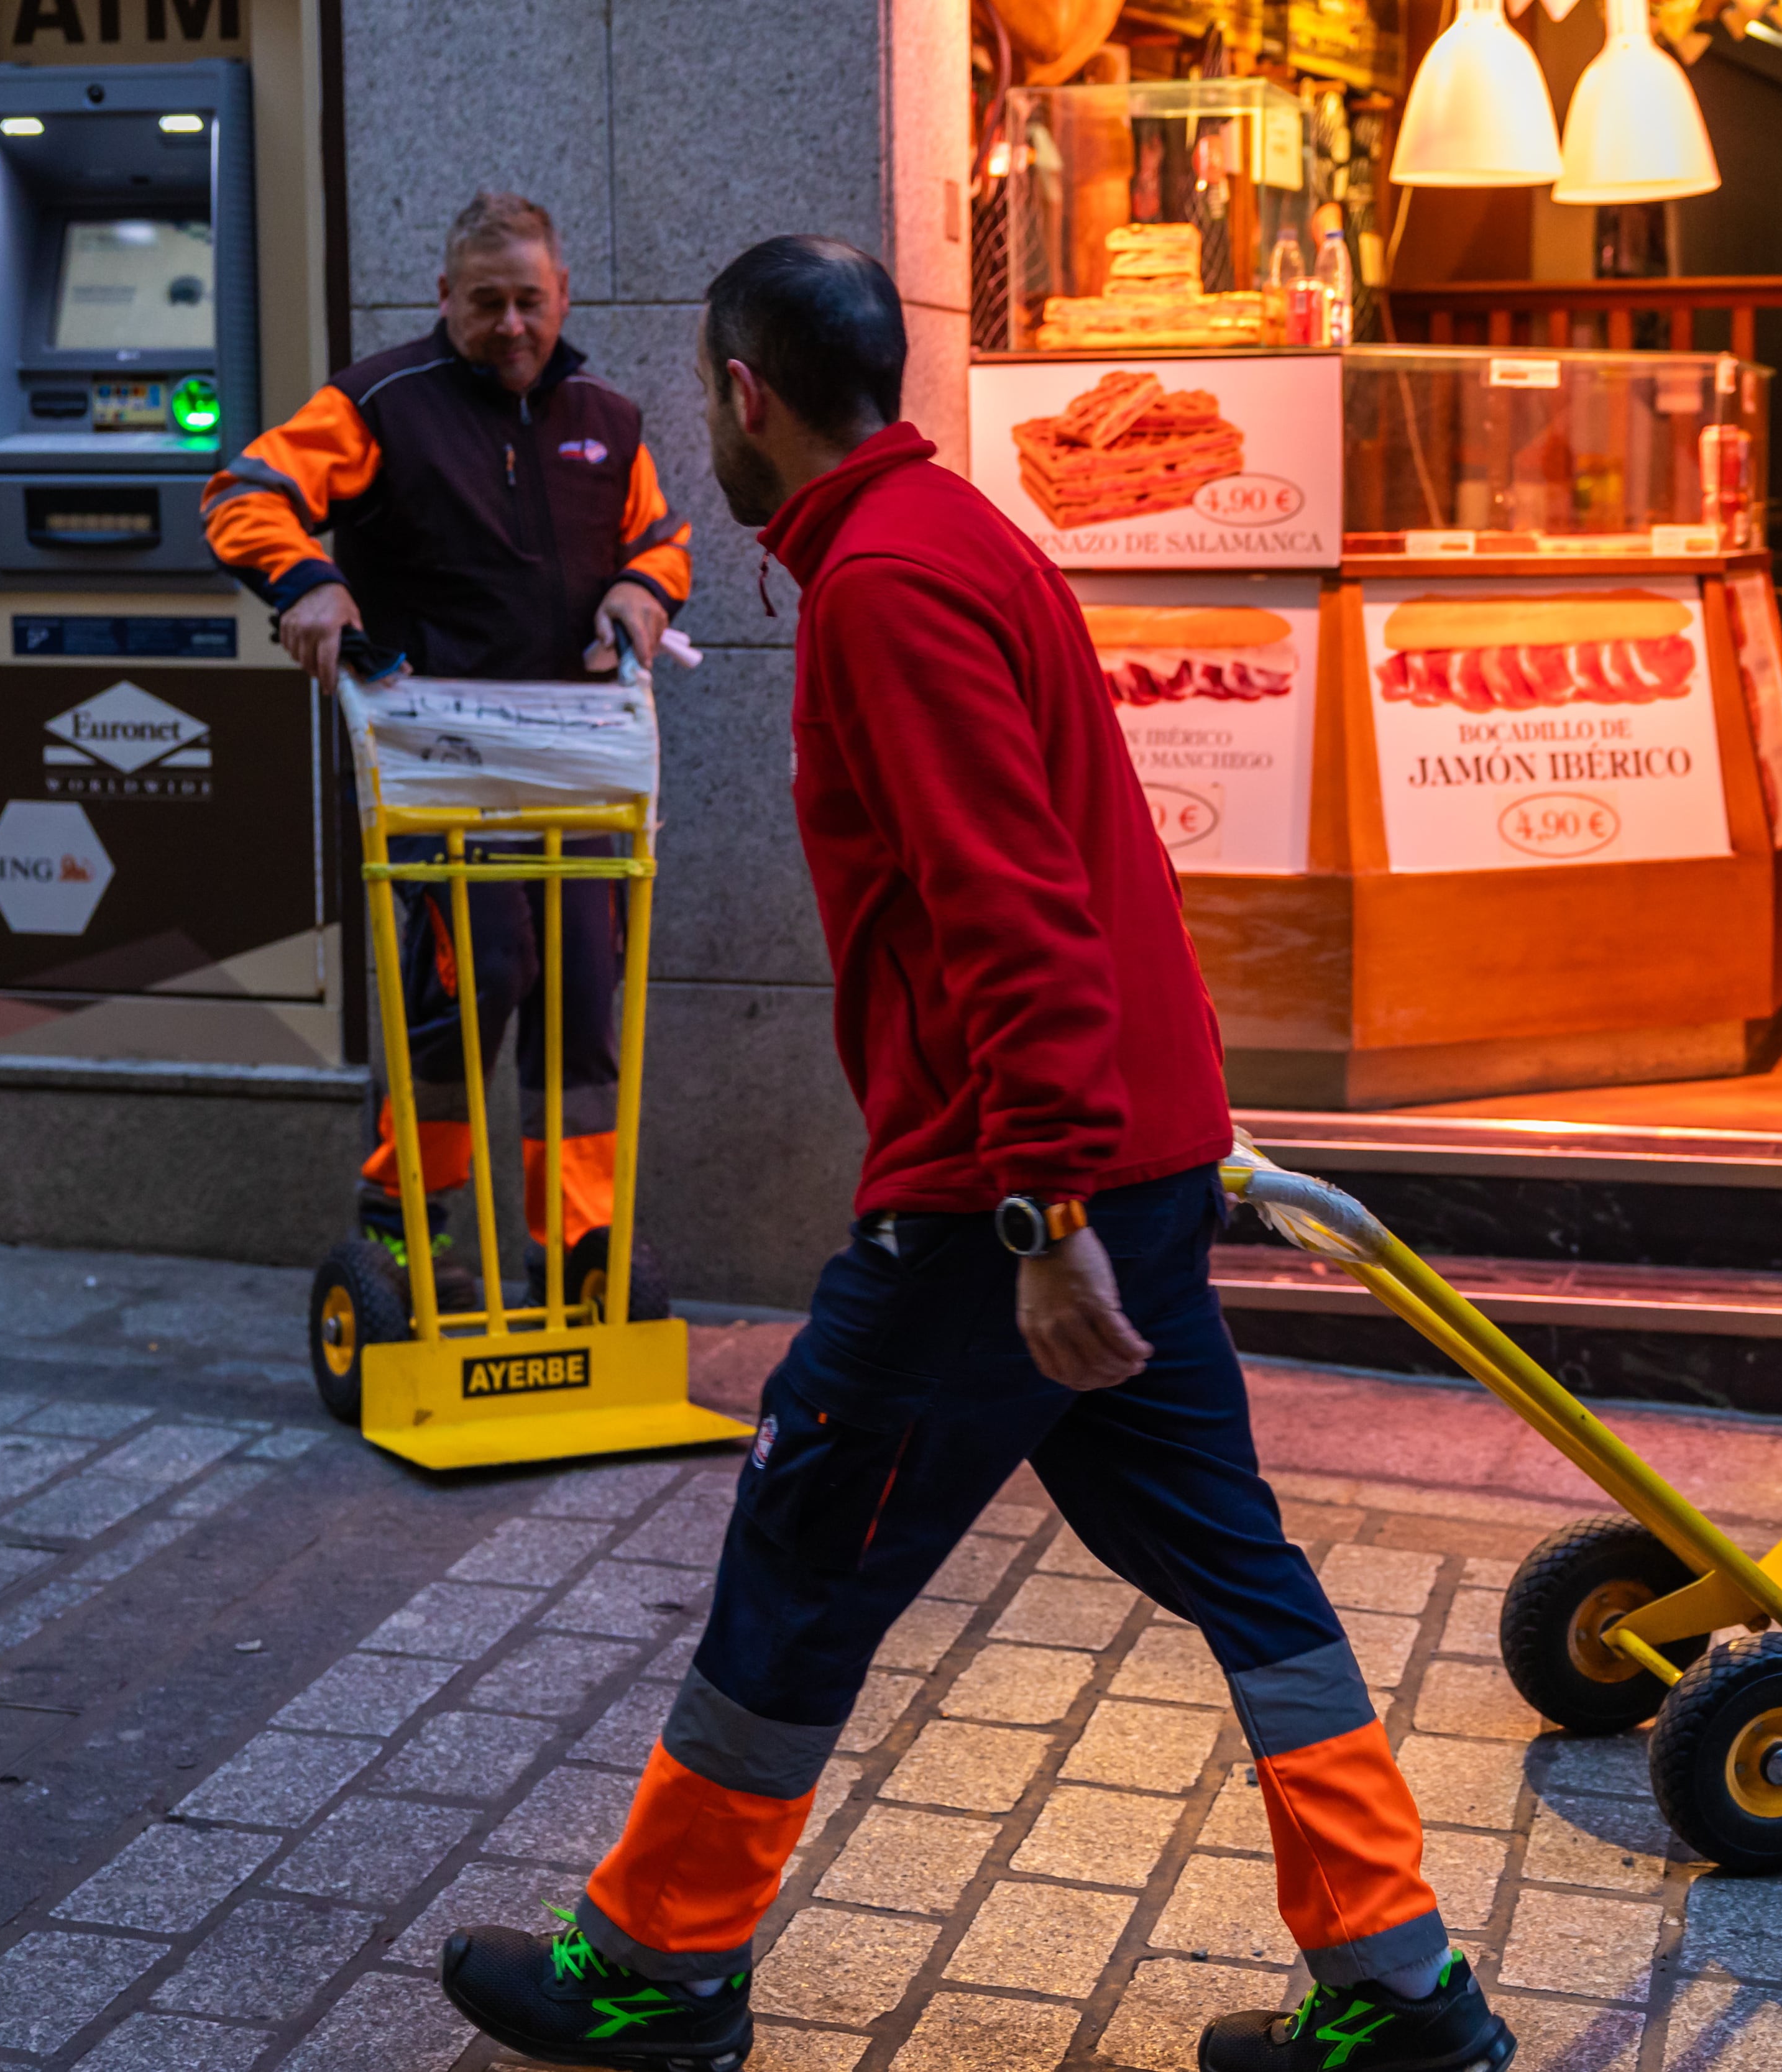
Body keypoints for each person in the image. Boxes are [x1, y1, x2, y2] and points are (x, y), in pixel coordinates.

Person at [434, 237, 1515, 2072]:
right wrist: (1125, 1160)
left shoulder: (883, 586)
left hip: (1006, 1202)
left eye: (706, 396)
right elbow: (1090, 871)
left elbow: (1006, 906)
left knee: (801, 1534)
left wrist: (1040, 1207)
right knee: (1226, 1553)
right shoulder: (966, 538)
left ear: (743, 395)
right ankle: (1397, 1986)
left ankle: (657, 1968)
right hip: (1122, 1160)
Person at [202, 191, 689, 1286]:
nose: (512, 325)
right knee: (478, 980)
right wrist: (313, 585)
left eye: (530, 301)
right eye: (486, 304)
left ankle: (576, 1236)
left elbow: (662, 541)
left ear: (563, 295)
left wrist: (641, 596)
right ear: (444, 298)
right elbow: (244, 492)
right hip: (439, 772)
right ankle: (407, 1220)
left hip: (573, 770)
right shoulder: (382, 400)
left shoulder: (608, 419)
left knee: (579, 994)